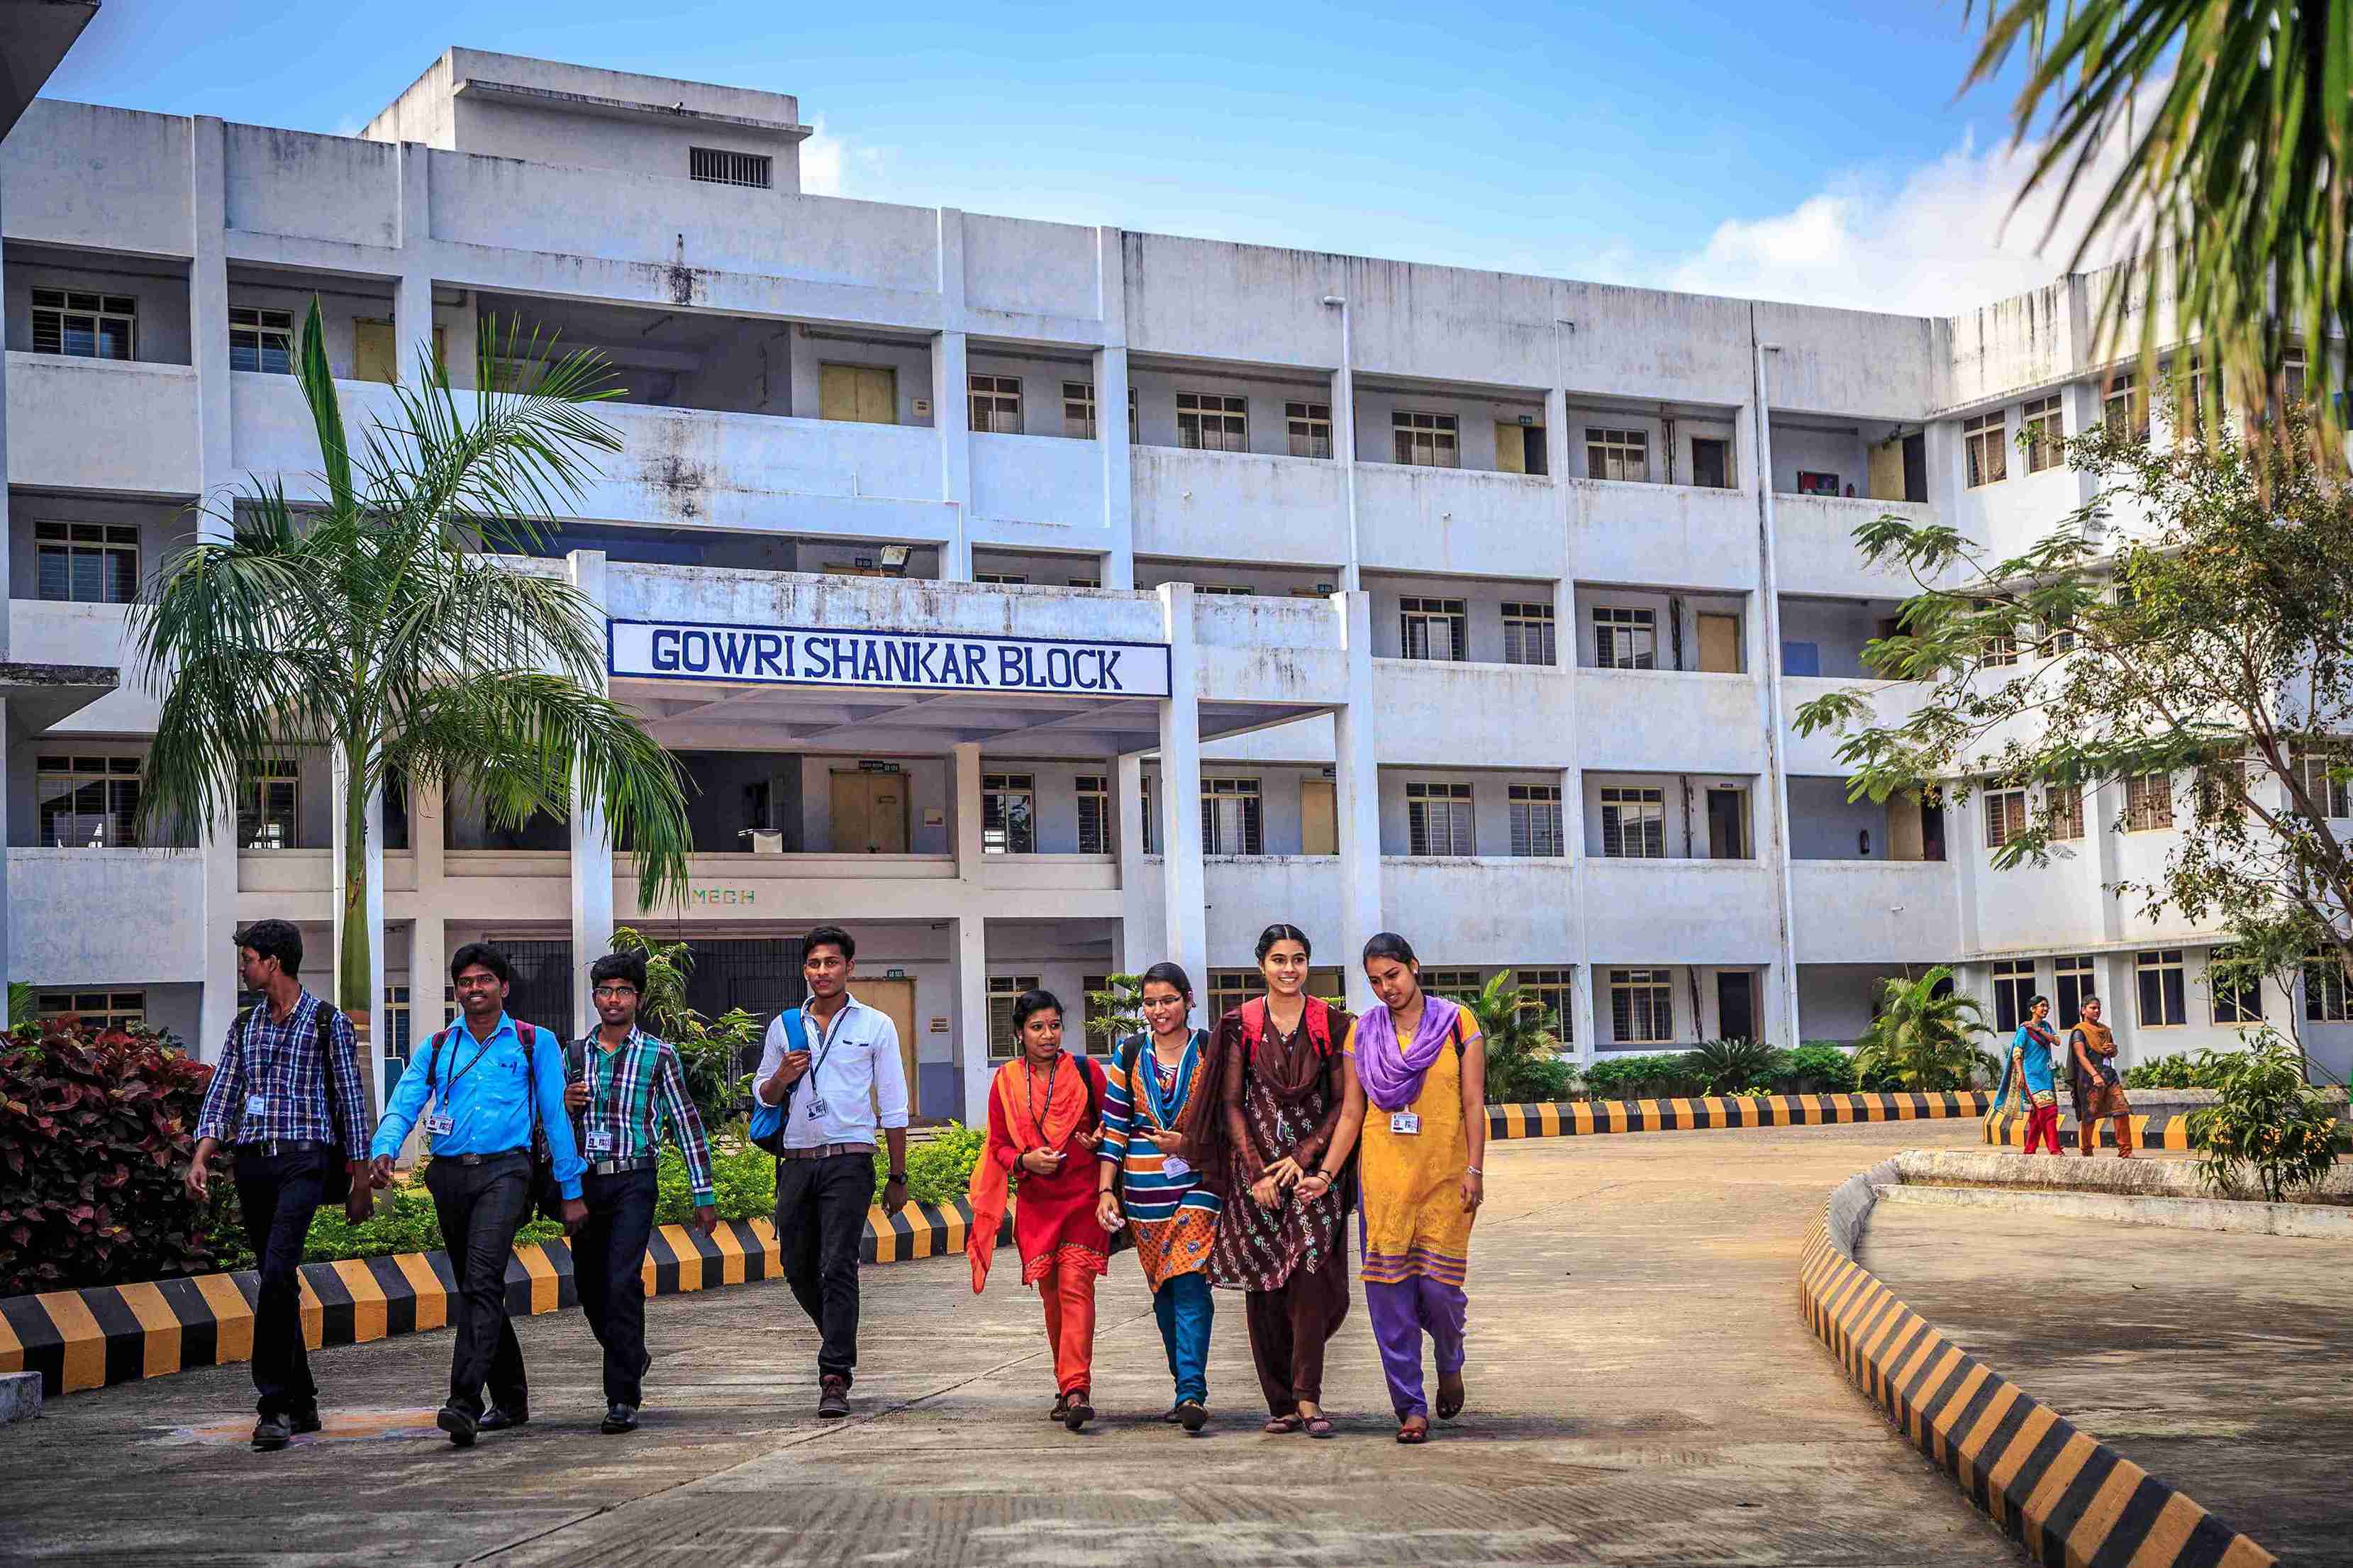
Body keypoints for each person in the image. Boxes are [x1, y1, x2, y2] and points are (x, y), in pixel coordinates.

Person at [369, 943, 586, 1447]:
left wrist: (571, 1189)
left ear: (503, 987)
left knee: (483, 1278)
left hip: (507, 1172)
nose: (474, 989)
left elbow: (556, 1118)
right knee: (475, 1286)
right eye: (465, 982)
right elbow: (405, 1102)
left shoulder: (533, 1042)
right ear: (457, 990)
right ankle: (510, 1397)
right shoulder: (438, 1046)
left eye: (484, 979)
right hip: (449, 1176)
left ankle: (463, 1402)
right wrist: (385, 1147)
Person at [185, 920, 374, 1452]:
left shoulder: (327, 1022)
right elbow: (224, 1092)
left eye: (248, 959)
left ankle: (273, 1405)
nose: (243, 969)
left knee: (275, 1272)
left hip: (304, 1161)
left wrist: (360, 1179)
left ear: (273, 962)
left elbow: (350, 1101)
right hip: (253, 1163)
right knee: (278, 1279)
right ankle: (304, 1400)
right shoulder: (245, 1025)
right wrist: (201, 1156)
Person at [1313, 932, 1486, 1444]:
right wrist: (1326, 1174)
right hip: (1384, 1181)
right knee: (1390, 1299)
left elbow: (1473, 1103)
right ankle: (1410, 1407)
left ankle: (1450, 1359)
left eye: (1392, 975)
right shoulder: (1362, 1033)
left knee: (1439, 1290)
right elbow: (1352, 1113)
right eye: (1375, 981)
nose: (1386, 987)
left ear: (1414, 966)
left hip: (1444, 1178)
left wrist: (1475, 1170)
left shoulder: (1458, 1023)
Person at [1183, 923, 1354, 1438]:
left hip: (1313, 1176)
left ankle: (1308, 1396)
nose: (1289, 969)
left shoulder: (1332, 1023)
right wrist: (1257, 1172)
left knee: (1312, 1282)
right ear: (1262, 965)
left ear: (1308, 964)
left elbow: (1343, 1102)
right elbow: (1231, 1103)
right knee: (1264, 1289)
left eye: (1298, 959)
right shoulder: (1241, 1025)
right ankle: (1281, 1402)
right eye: (1279, 959)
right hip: (1254, 1177)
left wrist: (1305, 1157)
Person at [750, 925, 910, 1418]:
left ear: (849, 967)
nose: (823, 971)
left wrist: (898, 1176)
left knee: (838, 1262)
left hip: (850, 1160)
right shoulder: (785, 1026)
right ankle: (841, 1338)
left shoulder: (876, 1025)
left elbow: (895, 1104)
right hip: (797, 1161)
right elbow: (764, 1095)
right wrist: (782, 1077)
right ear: (805, 969)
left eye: (832, 962)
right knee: (797, 1267)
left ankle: (834, 1374)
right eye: (815, 963)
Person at [563, 950, 720, 1435]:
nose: (614, 999)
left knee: (621, 1280)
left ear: (638, 998)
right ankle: (631, 1351)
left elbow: (686, 1122)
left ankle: (621, 1397)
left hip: (635, 1178)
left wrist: (702, 1192)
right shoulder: (573, 1055)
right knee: (590, 1287)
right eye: (606, 991)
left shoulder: (659, 1055)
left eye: (624, 991)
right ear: (595, 998)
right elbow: (548, 1125)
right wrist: (565, 1103)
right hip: (586, 1181)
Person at [967, 989, 1112, 1430]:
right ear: (1019, 1034)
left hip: (1083, 1198)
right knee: (1053, 1299)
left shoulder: (1087, 1072)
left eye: (1054, 1026)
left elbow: (1114, 1126)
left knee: (1075, 1288)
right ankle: (1066, 1384)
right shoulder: (1006, 1081)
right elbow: (998, 1146)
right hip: (1038, 1203)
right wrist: (1024, 1161)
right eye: (1037, 1028)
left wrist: (1099, 1138)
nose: (1048, 1035)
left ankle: (1077, 1388)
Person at [1095, 962, 1220, 1431]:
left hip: (1199, 1185)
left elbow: (1229, 1117)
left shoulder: (1211, 1049)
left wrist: (1189, 1144)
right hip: (1143, 1194)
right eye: (1150, 1002)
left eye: (1169, 1000)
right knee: (1164, 1294)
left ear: (1189, 1000)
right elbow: (1114, 1127)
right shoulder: (1129, 1053)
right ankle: (1182, 1384)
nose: (1159, 1010)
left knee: (1189, 1284)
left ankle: (1192, 1391)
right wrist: (1106, 1190)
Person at [1991, 995, 2064, 1155]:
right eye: (2042, 1006)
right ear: (2033, 1009)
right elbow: (2017, 1053)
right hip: (2032, 1077)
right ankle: (2055, 1148)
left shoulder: (2046, 1027)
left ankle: (2030, 1150)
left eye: (2047, 1006)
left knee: (2037, 1115)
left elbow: (2057, 1041)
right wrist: (2021, 1074)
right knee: (2048, 1110)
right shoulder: (2024, 1030)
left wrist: (2039, 1030)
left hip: (2046, 1076)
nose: (2045, 1009)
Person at [2066, 994, 2134, 1157]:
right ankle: (2087, 1150)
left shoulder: (2104, 1031)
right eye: (2093, 1008)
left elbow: (2111, 1054)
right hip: (2090, 1079)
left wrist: (2114, 1050)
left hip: (2109, 1076)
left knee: (2121, 1109)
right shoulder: (2080, 1031)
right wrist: (2095, 1075)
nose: (2097, 1011)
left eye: (2098, 1008)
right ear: (2083, 1010)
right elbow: (2081, 1056)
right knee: (2089, 1115)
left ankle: (2125, 1150)